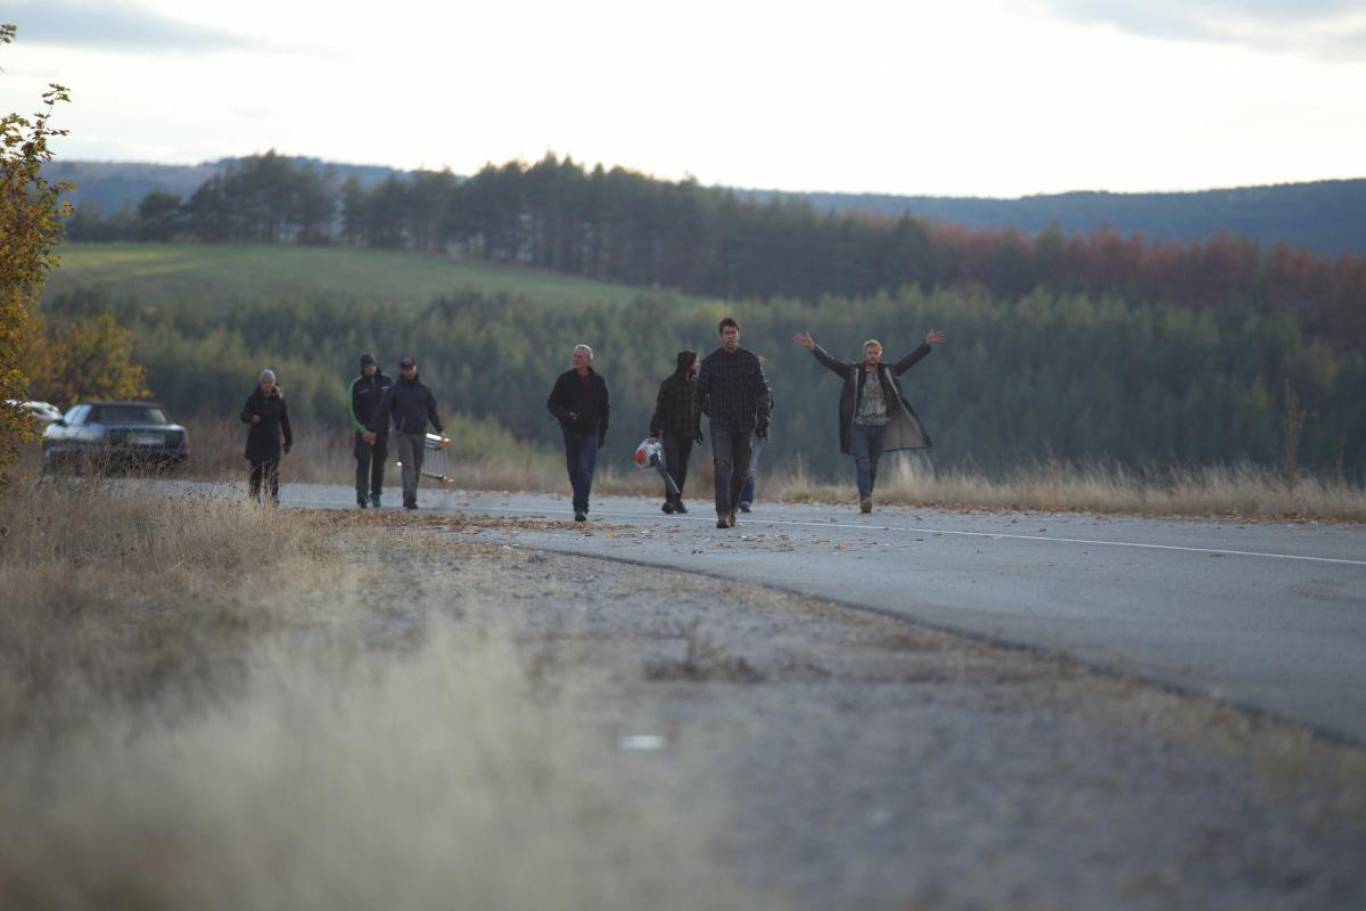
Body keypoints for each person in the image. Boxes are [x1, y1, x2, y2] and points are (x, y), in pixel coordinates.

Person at [793, 328, 945, 513]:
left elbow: (909, 361)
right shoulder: (853, 372)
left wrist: (925, 344)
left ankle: (867, 496)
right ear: (864, 354)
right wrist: (814, 348)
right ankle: (865, 497)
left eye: (876, 353)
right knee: (862, 462)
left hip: (880, 426)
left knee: (873, 465)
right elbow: (831, 363)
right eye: (870, 353)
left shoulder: (889, 371)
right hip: (859, 426)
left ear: (880, 354)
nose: (873, 356)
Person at [696, 317, 770, 529]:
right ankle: (722, 512)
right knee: (722, 465)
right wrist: (698, 420)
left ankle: (733, 507)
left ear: (739, 334)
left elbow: (762, 391)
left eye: (733, 332)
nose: (730, 336)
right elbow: (699, 394)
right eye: (726, 333)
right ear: (721, 336)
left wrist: (764, 417)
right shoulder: (710, 362)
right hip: (720, 422)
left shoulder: (750, 361)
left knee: (742, 471)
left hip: (745, 422)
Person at [363, 356, 444, 510]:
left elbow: (432, 411)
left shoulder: (424, 389)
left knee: (417, 467)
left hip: (420, 433)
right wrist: (371, 428)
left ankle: (411, 495)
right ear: (402, 370)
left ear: (415, 368)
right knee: (408, 466)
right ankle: (410, 497)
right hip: (403, 434)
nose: (408, 371)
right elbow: (382, 409)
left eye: (411, 368)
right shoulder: (395, 390)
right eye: (405, 369)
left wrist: (440, 430)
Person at [547, 344, 610, 522]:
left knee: (585, 469)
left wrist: (602, 433)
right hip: (570, 431)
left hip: (591, 431)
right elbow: (551, 404)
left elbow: (605, 409)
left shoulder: (598, 381)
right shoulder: (565, 379)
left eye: (580, 356)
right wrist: (565, 416)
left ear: (589, 359)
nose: (575, 359)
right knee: (574, 471)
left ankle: (581, 507)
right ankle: (580, 500)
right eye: (574, 356)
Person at [647, 350, 702, 514]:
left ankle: (677, 498)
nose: (698, 365)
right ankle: (670, 500)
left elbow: (703, 406)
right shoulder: (669, 384)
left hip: (688, 432)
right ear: (688, 364)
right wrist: (654, 432)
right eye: (696, 362)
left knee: (683, 466)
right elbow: (660, 409)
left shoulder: (696, 384)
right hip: (671, 431)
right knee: (672, 465)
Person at [241, 368, 292, 505]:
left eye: (270, 383)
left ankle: (272, 503)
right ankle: (254, 503)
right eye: (264, 382)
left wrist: (288, 442)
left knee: (272, 476)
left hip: (272, 444)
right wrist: (252, 417)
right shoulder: (253, 398)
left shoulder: (279, 401)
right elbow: (243, 415)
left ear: (274, 384)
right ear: (260, 383)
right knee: (255, 476)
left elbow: (285, 422)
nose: (267, 385)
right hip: (256, 444)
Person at [348, 353, 392, 509]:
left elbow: (393, 404)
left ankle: (376, 493)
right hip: (364, 431)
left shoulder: (387, 381)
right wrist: (362, 430)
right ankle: (362, 494)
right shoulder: (357, 385)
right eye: (367, 366)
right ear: (362, 368)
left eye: (372, 365)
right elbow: (352, 410)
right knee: (363, 462)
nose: (370, 369)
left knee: (379, 463)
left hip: (382, 430)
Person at [737, 357, 773, 513]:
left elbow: (769, 405)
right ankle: (735, 496)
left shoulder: (764, 387)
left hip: (757, 432)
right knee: (738, 464)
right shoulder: (738, 387)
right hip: (740, 430)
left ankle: (746, 499)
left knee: (750, 467)